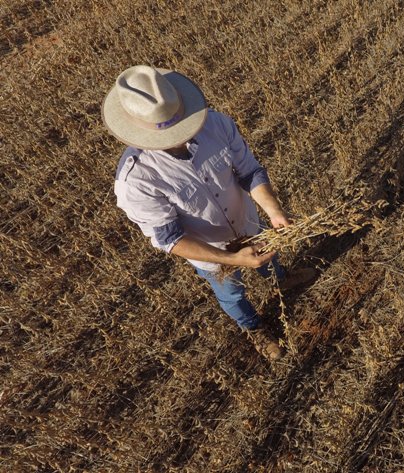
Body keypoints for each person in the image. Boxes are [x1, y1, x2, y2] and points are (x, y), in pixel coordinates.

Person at [102, 65, 316, 361]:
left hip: (248, 223)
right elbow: (170, 238)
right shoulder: (135, 180)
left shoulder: (216, 124)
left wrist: (274, 211)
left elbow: (250, 172)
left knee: (270, 257)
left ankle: (281, 277)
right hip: (212, 251)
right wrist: (231, 259)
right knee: (231, 293)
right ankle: (253, 327)